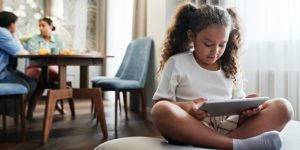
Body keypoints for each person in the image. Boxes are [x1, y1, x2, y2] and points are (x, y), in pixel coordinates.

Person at [151, 3, 294, 150]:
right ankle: (234, 144)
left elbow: (237, 103)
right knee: (160, 110)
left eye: (222, 45)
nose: (215, 51)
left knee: (284, 108)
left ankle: (224, 144)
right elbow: (161, 103)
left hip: (228, 125)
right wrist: (187, 107)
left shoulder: (230, 66)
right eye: (208, 44)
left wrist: (247, 110)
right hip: (192, 125)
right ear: (191, 36)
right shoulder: (177, 63)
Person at [0, 11, 37, 116]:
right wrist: (14, 33)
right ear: (10, 24)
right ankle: (10, 112)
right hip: (1, 73)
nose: (15, 26)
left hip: (5, 70)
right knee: (26, 86)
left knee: (32, 83)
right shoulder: (2, 32)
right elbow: (19, 52)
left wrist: (13, 33)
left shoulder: (4, 32)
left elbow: (20, 49)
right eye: (15, 23)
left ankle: (13, 112)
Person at [26, 17, 64, 81]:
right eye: (39, 26)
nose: (40, 28)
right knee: (34, 73)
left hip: (53, 65)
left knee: (59, 74)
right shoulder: (34, 39)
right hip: (36, 65)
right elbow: (32, 53)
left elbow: (62, 51)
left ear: (51, 26)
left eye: (43, 26)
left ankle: (60, 90)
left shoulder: (57, 38)